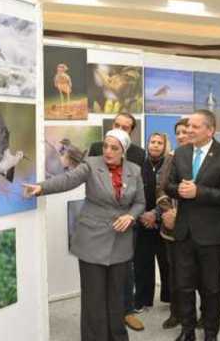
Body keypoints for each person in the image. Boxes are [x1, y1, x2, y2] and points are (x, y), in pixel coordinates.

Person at [24, 129, 145, 341]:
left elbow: (140, 202)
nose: (107, 151)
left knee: (117, 297)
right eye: (105, 146)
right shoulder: (91, 164)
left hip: (121, 242)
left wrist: (131, 217)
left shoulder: (134, 170)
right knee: (94, 298)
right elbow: (68, 179)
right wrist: (41, 188)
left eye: (114, 148)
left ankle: (117, 336)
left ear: (123, 151)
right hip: (92, 241)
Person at [165, 110, 220, 341]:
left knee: (212, 289)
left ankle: (210, 333)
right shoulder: (181, 153)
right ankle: (187, 331)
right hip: (184, 232)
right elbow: (168, 184)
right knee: (183, 286)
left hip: (211, 234)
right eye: (188, 126)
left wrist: (199, 192)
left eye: (195, 127)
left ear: (210, 129)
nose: (188, 131)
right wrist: (179, 190)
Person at [88, 112, 146, 331]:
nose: (121, 128)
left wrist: (134, 215)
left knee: (126, 267)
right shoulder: (96, 147)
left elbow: (142, 188)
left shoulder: (139, 154)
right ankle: (103, 312)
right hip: (100, 220)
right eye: (117, 124)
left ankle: (127, 310)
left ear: (131, 131)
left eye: (126, 127)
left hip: (126, 221)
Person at [155, 118, 189, 329]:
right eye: (179, 132)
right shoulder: (171, 158)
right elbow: (160, 187)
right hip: (172, 228)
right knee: (175, 273)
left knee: (202, 275)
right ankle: (176, 313)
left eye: (186, 131)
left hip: (198, 227)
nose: (182, 135)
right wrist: (168, 211)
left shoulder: (204, 159)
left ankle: (202, 314)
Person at [134, 132, 170, 313]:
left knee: (167, 263)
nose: (155, 145)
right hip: (142, 222)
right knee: (142, 263)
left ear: (165, 146)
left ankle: (170, 298)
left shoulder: (171, 165)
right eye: (152, 142)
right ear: (147, 145)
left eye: (159, 143)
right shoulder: (139, 166)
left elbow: (170, 195)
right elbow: (132, 193)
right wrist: (143, 215)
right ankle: (142, 300)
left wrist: (156, 215)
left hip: (164, 222)